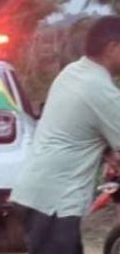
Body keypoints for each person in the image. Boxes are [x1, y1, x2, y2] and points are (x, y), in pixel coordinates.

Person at [11, 16, 120, 254]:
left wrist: (108, 152)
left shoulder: (72, 73)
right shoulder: (100, 90)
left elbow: (78, 128)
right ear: (113, 48)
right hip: (56, 203)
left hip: (37, 192)